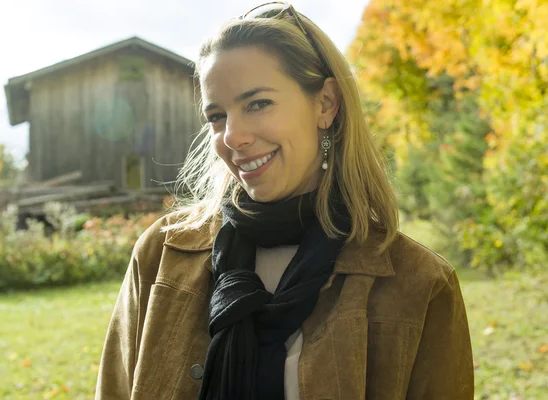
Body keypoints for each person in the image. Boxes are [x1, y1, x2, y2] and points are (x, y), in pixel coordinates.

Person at [95, 2, 474, 399]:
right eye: (217, 116)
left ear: (325, 103)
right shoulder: (161, 255)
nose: (232, 136)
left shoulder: (419, 284)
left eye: (257, 104)